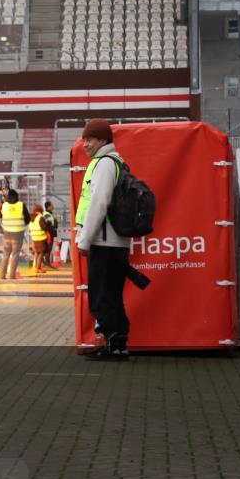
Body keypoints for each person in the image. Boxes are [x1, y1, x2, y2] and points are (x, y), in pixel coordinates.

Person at [74, 118, 131, 362]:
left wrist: (85, 240)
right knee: (111, 296)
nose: (85, 144)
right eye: (84, 139)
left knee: (102, 296)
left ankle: (114, 345)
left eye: (90, 139)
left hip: (104, 241)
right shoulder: (114, 161)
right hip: (112, 241)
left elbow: (98, 203)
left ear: (103, 140)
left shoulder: (105, 163)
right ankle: (116, 345)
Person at [0, 189, 30, 281]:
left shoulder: (4, 206)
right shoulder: (21, 205)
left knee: (5, 255)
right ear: (17, 196)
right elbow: (28, 219)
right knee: (15, 254)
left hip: (7, 234)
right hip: (18, 234)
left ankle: (2, 276)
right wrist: (22, 224)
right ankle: (11, 276)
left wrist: (0, 229)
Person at [29, 205, 50, 274]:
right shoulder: (40, 217)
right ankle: (38, 268)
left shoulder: (31, 217)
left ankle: (36, 267)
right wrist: (47, 224)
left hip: (34, 237)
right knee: (41, 253)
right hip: (41, 237)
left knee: (37, 252)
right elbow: (44, 227)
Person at [42, 200, 58, 269]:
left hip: (49, 233)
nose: (53, 206)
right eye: (52, 205)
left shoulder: (49, 214)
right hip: (49, 234)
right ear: (48, 207)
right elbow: (49, 225)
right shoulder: (47, 214)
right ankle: (47, 264)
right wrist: (54, 225)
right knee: (48, 249)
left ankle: (45, 263)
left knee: (48, 249)